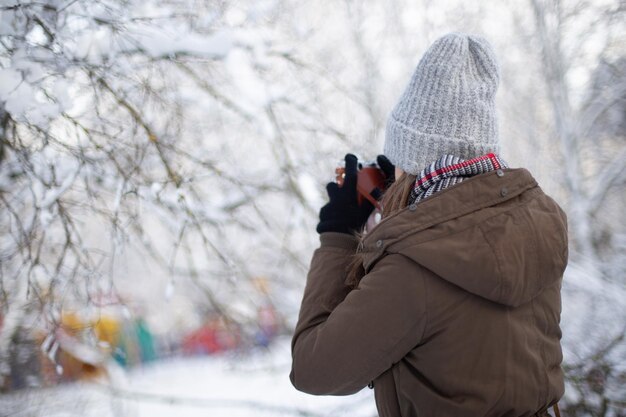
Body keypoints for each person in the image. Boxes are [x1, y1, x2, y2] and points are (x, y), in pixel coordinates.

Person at [290, 32, 568, 417]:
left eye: (398, 157)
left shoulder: (414, 270)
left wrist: (337, 235)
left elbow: (313, 370)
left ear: (413, 161)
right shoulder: (539, 226)